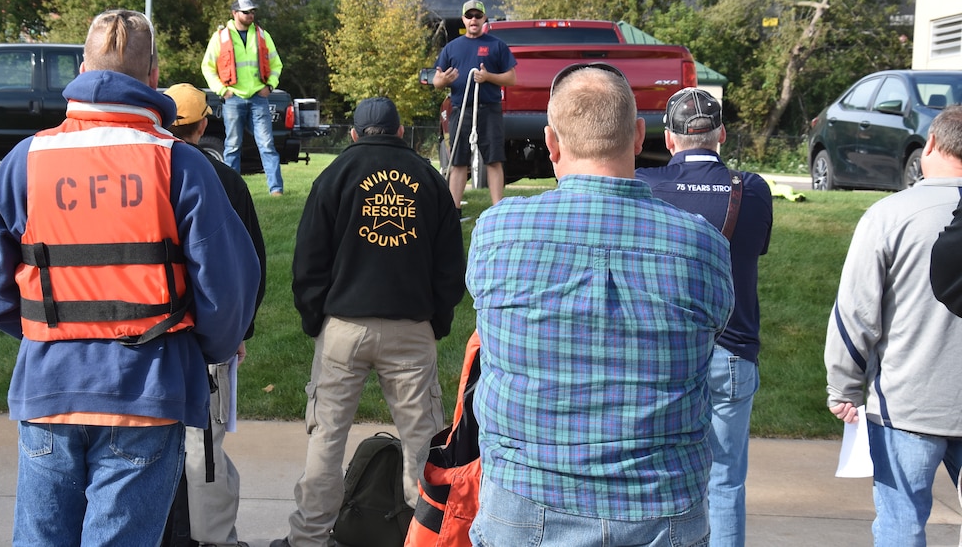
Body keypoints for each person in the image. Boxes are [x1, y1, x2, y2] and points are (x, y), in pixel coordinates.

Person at [0, 9, 260, 546]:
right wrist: (201, 349)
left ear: (81, 68)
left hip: (49, 388)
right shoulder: (180, 164)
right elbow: (229, 292)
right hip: (148, 391)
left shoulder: (26, 160)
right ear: (153, 75)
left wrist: (51, 330)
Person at [466, 64, 734, 547]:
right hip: (662, 506)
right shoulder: (701, 244)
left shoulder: (498, 231)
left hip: (526, 501)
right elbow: (713, 331)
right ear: (638, 136)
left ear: (551, 142)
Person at [271, 97, 467, 547]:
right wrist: (435, 320)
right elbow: (450, 268)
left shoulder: (334, 176)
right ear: (400, 132)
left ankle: (308, 539)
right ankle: (428, 538)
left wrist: (316, 318)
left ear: (355, 134)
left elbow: (308, 261)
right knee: (423, 445)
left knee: (326, 438)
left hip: (344, 326)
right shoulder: (429, 180)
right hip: (411, 329)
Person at [636, 87, 773, 547]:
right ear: (723, 135)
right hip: (732, 349)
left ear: (668, 139)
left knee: (656, 473)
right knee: (726, 479)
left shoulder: (646, 187)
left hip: (664, 353)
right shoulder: (750, 189)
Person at [826, 104, 962, 546]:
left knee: (900, 525)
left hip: (908, 404)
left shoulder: (890, 215)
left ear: (933, 145)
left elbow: (855, 313)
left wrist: (843, 387)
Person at [165, 83, 269, 547]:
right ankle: (212, 538)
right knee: (202, 445)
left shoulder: (150, 170)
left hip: (152, 332)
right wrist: (239, 330)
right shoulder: (226, 179)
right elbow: (251, 266)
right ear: (205, 124)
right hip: (208, 336)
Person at [432, 0, 517, 213]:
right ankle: (454, 210)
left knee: (494, 159)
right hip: (460, 110)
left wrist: (489, 76)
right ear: (463, 19)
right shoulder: (452, 48)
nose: (473, 20)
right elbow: (436, 81)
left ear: (484, 19)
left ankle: (498, 210)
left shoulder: (496, 45)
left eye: (478, 16)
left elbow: (511, 78)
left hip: (489, 109)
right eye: (469, 16)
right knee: (459, 161)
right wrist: (444, 81)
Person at [201, 0, 284, 195]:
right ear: (234, 13)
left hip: (258, 97)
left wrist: (270, 86)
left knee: (266, 145)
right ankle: (231, 190)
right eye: (246, 12)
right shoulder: (220, 37)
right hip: (233, 98)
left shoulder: (263, 35)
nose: (250, 15)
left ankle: (276, 190)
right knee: (232, 146)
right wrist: (223, 90)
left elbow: (276, 64)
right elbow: (207, 66)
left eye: (252, 11)